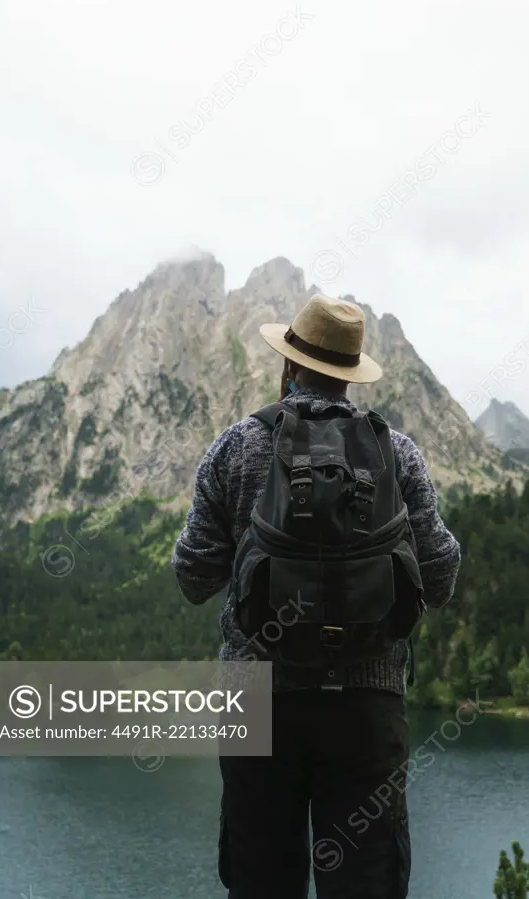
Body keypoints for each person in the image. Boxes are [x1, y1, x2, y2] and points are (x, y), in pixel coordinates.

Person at [172, 293, 462, 899]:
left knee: (261, 881)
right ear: (350, 377)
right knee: (364, 883)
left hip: (258, 704)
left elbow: (194, 577)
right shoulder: (396, 451)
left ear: (289, 365)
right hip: (366, 702)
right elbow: (440, 574)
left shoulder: (236, 446)